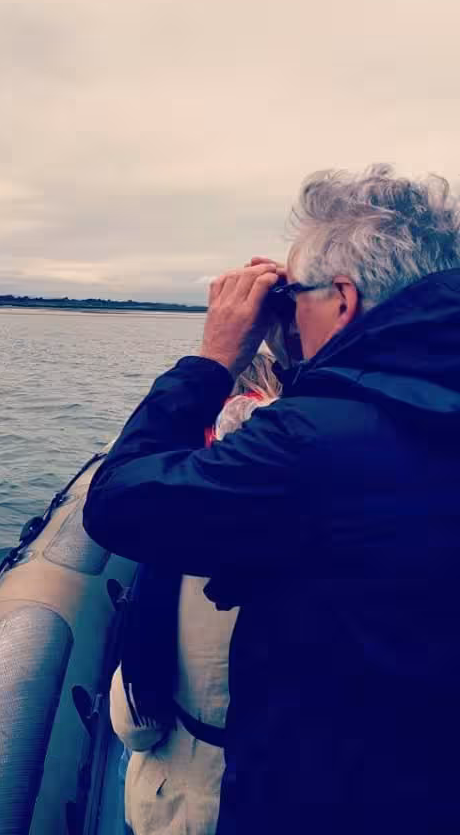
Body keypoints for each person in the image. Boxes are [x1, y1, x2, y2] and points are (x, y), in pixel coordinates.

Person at [83, 164, 460, 834]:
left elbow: (119, 504)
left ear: (342, 300)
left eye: (297, 298)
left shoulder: (318, 441)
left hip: (332, 793)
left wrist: (212, 359)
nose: (290, 317)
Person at [110, 350, 281, 835]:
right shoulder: (320, 531)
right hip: (284, 791)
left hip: (190, 805)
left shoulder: (179, 549)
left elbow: (136, 727)